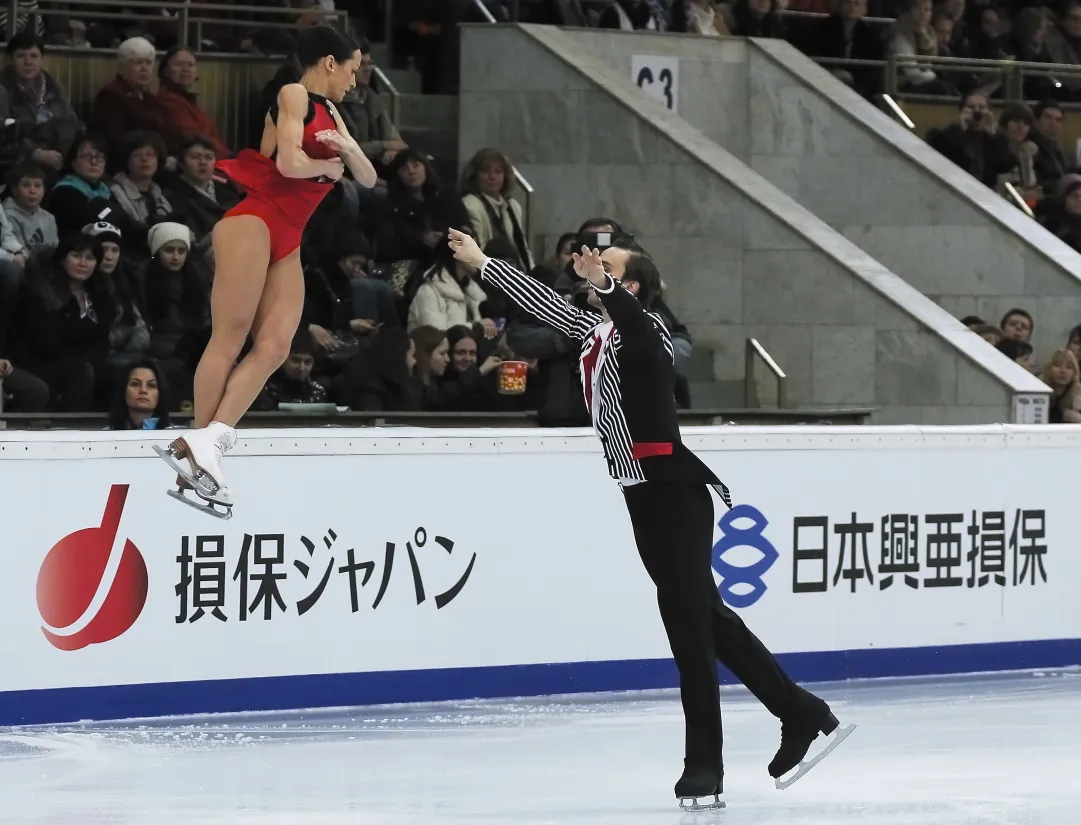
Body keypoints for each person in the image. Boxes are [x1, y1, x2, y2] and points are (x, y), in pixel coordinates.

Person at [446, 227, 854, 811]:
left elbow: (636, 326)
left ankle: (705, 765)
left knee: (688, 628)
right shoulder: (596, 332)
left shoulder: (647, 328)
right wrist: (484, 262)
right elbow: (545, 306)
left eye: (607, 265)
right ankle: (801, 711)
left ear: (629, 284)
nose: (589, 266)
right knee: (705, 620)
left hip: (674, 491)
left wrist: (606, 286)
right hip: (645, 494)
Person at [153, 26, 377, 518]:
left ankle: (207, 444)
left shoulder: (336, 113)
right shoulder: (294, 92)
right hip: (254, 221)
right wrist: (333, 166)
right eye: (354, 68)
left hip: (288, 235)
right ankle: (199, 449)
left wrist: (350, 153)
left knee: (276, 347)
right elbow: (291, 162)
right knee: (229, 337)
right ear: (330, 62)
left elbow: (370, 177)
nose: (356, 80)